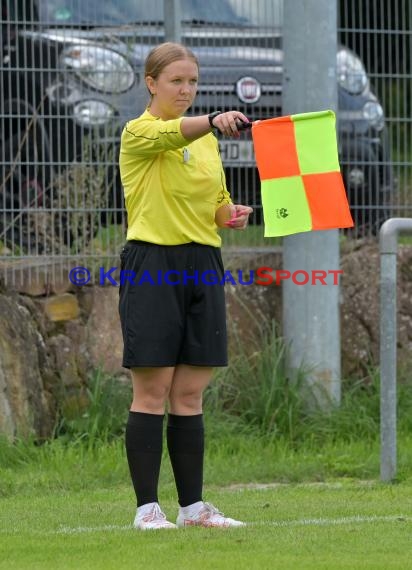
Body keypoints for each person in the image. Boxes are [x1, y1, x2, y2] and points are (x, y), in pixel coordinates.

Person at [118, 42, 253, 530]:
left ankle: (193, 508)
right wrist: (214, 118)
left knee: (191, 391)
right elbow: (173, 134)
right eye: (176, 81)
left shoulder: (206, 141)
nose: (186, 90)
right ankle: (146, 510)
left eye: (192, 82)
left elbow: (216, 201)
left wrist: (230, 214)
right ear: (151, 83)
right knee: (152, 388)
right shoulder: (139, 131)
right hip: (152, 262)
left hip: (203, 261)